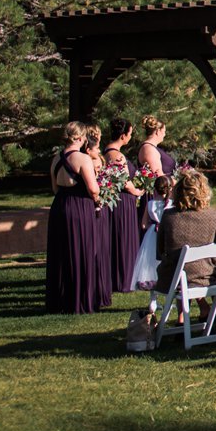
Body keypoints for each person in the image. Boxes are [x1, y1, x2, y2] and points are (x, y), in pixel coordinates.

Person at [45, 121, 111, 314]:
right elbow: (93, 188)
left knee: (62, 252)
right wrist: (99, 200)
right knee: (82, 249)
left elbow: (55, 188)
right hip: (80, 207)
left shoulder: (56, 159)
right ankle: (81, 300)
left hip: (60, 206)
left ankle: (61, 300)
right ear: (81, 138)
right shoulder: (82, 158)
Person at [156, 166, 216, 295]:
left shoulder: (169, 216)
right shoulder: (215, 215)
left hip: (173, 277)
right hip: (206, 276)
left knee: (178, 266)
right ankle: (209, 310)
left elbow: (160, 251)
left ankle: (183, 314)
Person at [102, 117, 143, 293]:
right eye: (130, 133)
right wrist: (138, 192)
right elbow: (125, 182)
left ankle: (116, 277)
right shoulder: (117, 155)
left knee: (116, 238)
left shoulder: (105, 151)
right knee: (123, 237)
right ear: (124, 135)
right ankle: (124, 279)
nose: (131, 136)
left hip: (116, 201)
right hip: (123, 201)